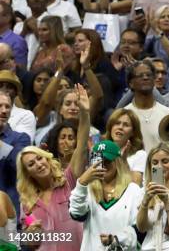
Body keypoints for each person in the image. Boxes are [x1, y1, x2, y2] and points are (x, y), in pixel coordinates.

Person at [16, 84, 91, 251]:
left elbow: (81, 145)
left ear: (48, 160)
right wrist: (30, 234)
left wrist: (85, 113)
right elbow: (29, 242)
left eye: (39, 158)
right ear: (28, 174)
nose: (39, 164)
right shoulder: (26, 202)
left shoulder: (68, 180)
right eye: (31, 164)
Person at [69, 140, 142, 251]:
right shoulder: (86, 190)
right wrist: (82, 183)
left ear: (117, 162)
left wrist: (116, 239)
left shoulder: (133, 190)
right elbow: (76, 213)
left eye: (107, 161)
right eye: (98, 161)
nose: (102, 165)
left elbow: (138, 229)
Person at [124, 60, 169, 152]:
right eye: (140, 75)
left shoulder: (168, 114)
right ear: (131, 83)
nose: (145, 78)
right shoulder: (124, 115)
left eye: (149, 75)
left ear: (154, 80)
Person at [0, 90, 30, 222]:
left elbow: (17, 165)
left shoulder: (20, 138)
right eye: (0, 106)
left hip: (9, 213)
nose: (4, 110)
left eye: (8, 106)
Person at [102, 108, 147, 185]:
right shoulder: (101, 150)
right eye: (117, 123)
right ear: (111, 127)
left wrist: (123, 162)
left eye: (126, 125)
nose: (120, 127)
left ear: (133, 132)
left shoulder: (140, 155)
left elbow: (136, 183)